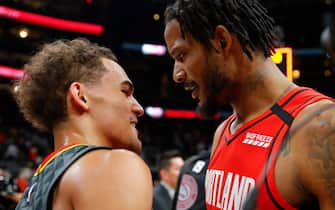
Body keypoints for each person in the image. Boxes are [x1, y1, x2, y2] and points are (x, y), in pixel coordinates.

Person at [163, 0, 335, 209]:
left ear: (222, 41)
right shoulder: (222, 132)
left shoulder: (322, 128)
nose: (176, 75)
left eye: (182, 55)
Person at [13, 38, 153, 210]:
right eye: (125, 92)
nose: (139, 108)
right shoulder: (114, 166)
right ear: (80, 96)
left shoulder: (34, 188)